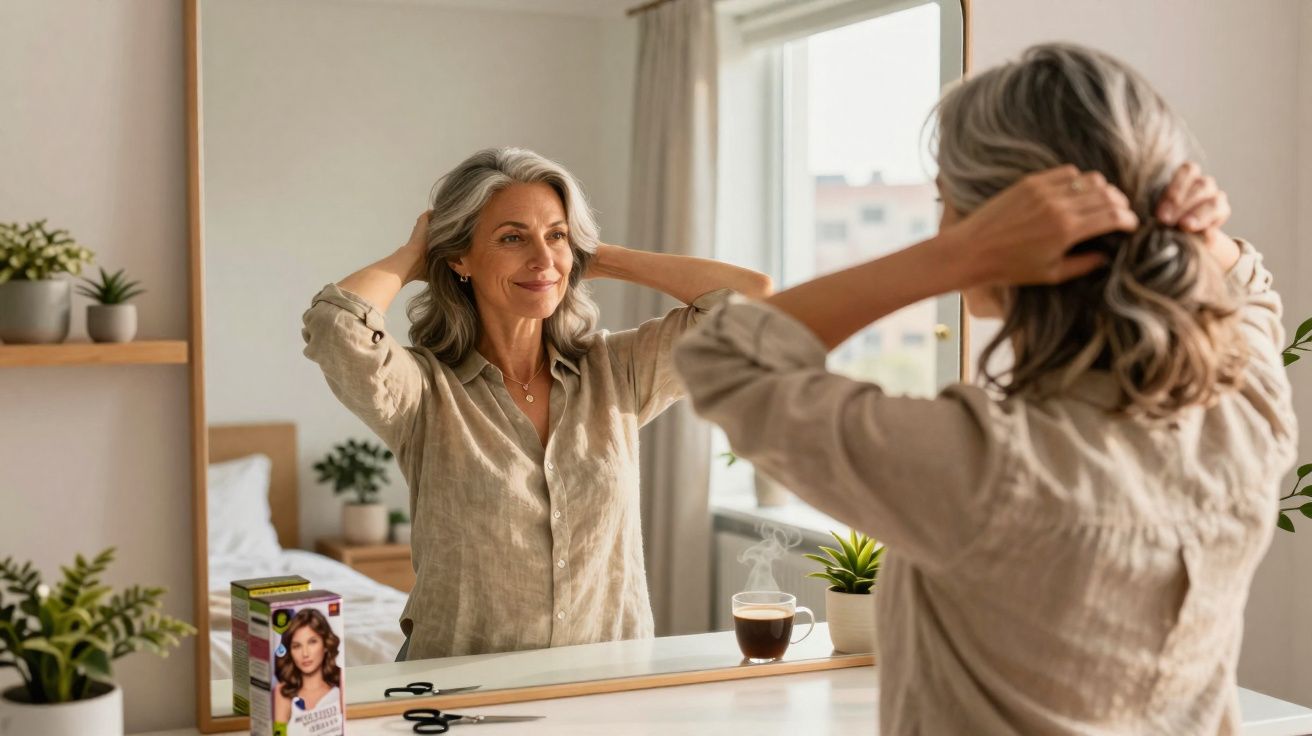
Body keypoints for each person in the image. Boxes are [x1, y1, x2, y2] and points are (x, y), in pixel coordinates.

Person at [674, 43, 1296, 734]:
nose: (940, 224)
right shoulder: (1245, 415)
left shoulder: (987, 467)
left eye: (948, 204)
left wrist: (959, 253)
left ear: (1004, 230)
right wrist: (1185, 227)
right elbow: (1251, 292)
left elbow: (722, 355)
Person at [302, 147, 771, 660]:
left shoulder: (616, 370)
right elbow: (337, 327)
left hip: (606, 690)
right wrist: (417, 254)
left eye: (556, 234)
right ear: (460, 257)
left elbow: (749, 301)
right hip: (466, 697)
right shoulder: (424, 391)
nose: (542, 258)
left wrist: (588, 254)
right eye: (511, 238)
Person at [273, 608, 343, 734]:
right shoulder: (284, 691)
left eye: (312, 642)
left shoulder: (340, 686)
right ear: (290, 651)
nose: (305, 653)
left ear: (326, 644)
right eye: (297, 646)